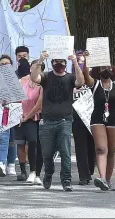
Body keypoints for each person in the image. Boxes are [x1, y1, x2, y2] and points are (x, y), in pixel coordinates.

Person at [30, 51, 84, 192]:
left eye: (62, 62)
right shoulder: (47, 76)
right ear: (52, 63)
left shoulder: (70, 77)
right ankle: (48, 173)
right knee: (47, 153)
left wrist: (76, 63)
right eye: (56, 62)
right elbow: (34, 77)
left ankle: (66, 180)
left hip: (65, 120)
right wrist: (40, 60)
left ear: (66, 63)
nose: (59, 64)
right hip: (47, 121)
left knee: (65, 152)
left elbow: (81, 82)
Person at [83, 61, 115, 191]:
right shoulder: (95, 83)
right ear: (98, 70)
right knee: (101, 149)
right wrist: (87, 61)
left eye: (109, 67)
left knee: (112, 149)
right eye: (103, 67)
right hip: (98, 118)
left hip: (114, 119)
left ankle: (108, 180)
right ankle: (102, 178)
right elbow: (85, 76)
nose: (107, 70)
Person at [15, 59, 43, 184]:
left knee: (33, 142)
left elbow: (39, 104)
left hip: (35, 117)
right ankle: (23, 171)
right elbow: (14, 97)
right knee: (20, 143)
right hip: (20, 116)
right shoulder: (21, 81)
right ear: (30, 68)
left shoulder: (43, 82)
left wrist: (28, 116)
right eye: (34, 66)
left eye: (39, 67)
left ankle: (34, 171)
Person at [71, 50, 96, 185]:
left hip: (92, 116)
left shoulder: (93, 79)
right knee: (80, 146)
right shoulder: (71, 78)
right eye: (78, 61)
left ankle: (90, 170)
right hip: (77, 117)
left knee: (91, 145)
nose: (80, 64)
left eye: (82, 61)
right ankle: (83, 175)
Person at [0, 55, 17, 177]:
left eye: (7, 64)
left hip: (15, 112)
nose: (4, 66)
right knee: (2, 137)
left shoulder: (18, 80)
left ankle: (11, 164)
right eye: (2, 64)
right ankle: (1, 163)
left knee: (12, 139)